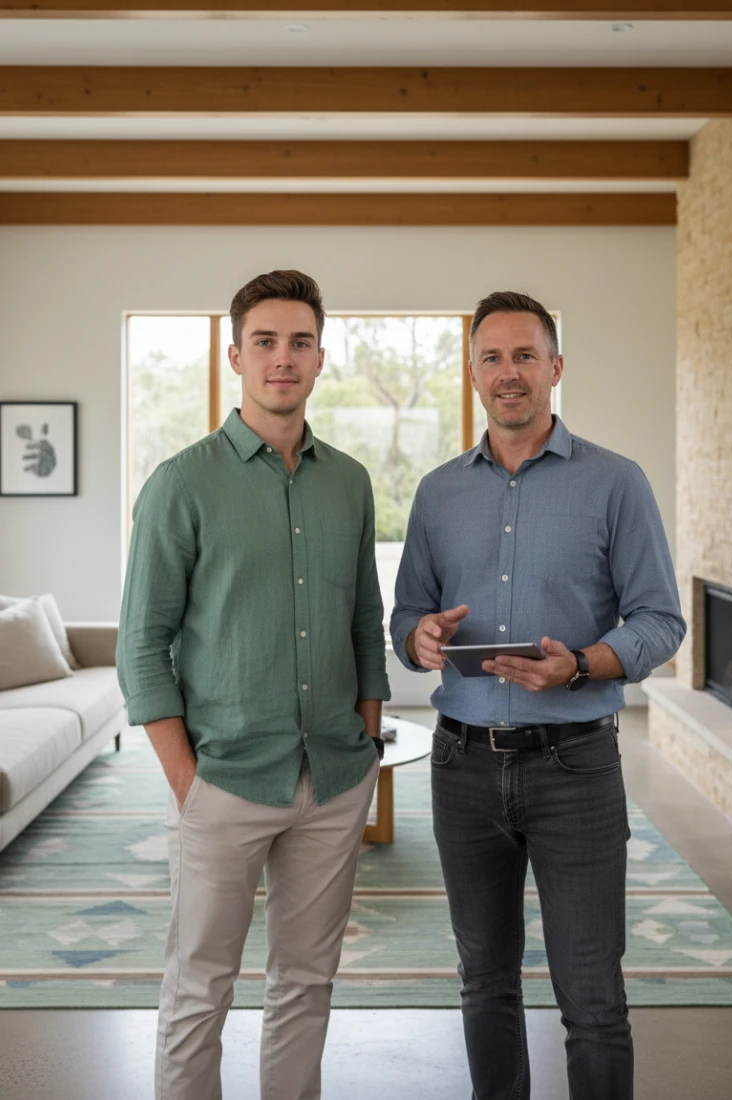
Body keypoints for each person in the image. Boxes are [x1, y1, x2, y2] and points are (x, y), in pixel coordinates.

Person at [391, 291, 686, 1100]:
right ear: (474, 372)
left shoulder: (617, 483)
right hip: (462, 764)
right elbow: (406, 618)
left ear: (555, 368)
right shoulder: (437, 493)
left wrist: (584, 664)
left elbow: (662, 620)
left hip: (577, 768)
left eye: (525, 356)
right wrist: (418, 638)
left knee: (592, 999)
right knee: (484, 981)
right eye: (492, 357)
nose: (508, 373)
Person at [117, 270, 389, 1100]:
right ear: (235, 355)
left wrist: (369, 740)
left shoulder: (349, 482)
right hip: (222, 779)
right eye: (265, 342)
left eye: (300, 342)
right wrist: (184, 782)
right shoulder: (181, 483)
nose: (283, 358)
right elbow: (141, 644)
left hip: (335, 778)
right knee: (200, 989)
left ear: (319, 358)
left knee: (307, 983)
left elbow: (363, 624)